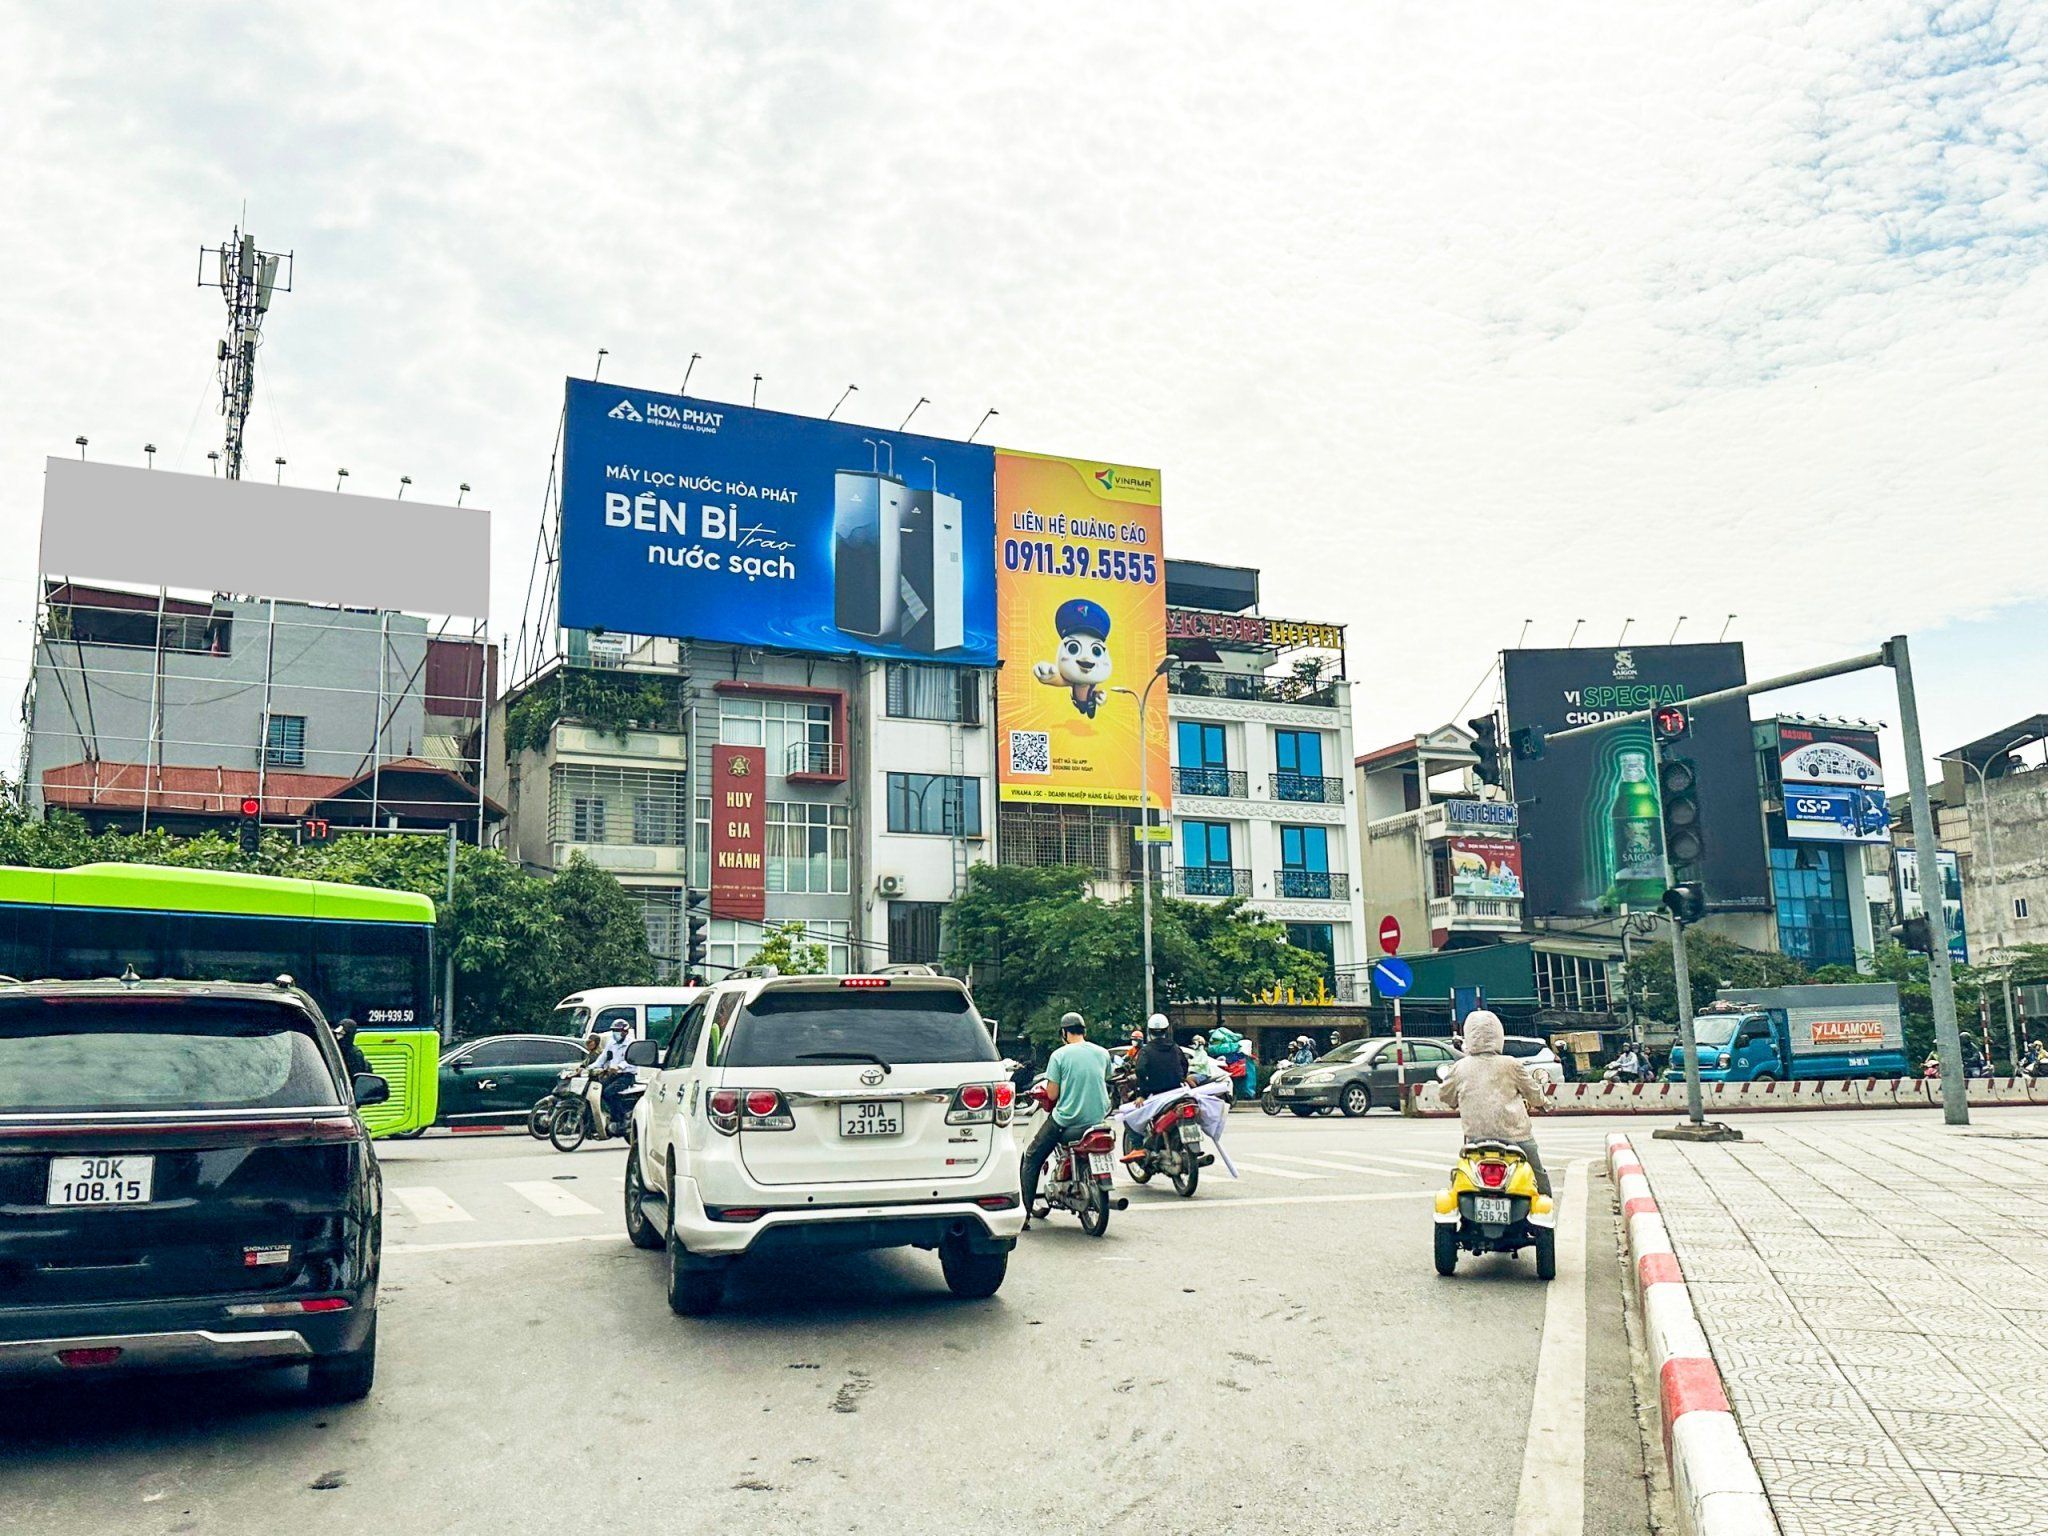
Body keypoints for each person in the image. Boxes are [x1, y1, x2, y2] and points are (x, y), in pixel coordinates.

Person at [1437, 1010, 1550, 1198]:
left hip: (1476, 1140)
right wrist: (1544, 1104)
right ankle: (1546, 1218)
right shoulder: (1511, 1064)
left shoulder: (1460, 1067)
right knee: (1538, 1175)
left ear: (1468, 1036)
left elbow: (1445, 1096)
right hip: (1517, 1137)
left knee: (1462, 1178)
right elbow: (1534, 1094)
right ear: (1499, 1035)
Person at [1021, 1013, 1113, 1228]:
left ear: (1063, 1033)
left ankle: (1023, 1215)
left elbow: (1052, 1095)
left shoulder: (1059, 1055)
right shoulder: (1102, 1053)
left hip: (1067, 1120)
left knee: (1032, 1156)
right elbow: (1106, 1077)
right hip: (1098, 1120)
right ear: (1084, 1031)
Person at [589, 1015, 637, 1134]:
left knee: (608, 1092)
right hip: (612, 1075)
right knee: (597, 1089)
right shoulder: (611, 1043)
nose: (616, 1033)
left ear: (625, 1032)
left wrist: (619, 1066)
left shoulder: (632, 1044)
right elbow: (602, 1059)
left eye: (618, 1031)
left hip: (626, 1076)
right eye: (614, 1031)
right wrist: (586, 1068)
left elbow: (632, 1061)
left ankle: (620, 1118)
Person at [1133, 1014, 1190, 1097]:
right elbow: (1185, 1064)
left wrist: (1142, 1094)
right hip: (1177, 1092)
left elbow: (1139, 1069)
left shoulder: (1146, 1051)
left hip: (1155, 1094)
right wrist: (1181, 1078)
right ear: (1167, 1030)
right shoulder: (1175, 1048)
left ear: (1149, 1031)